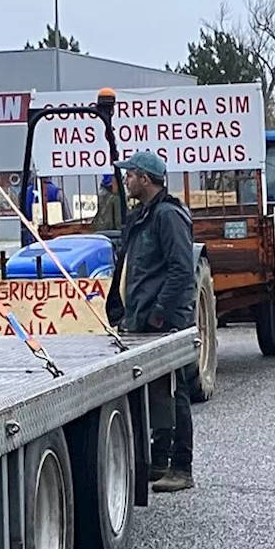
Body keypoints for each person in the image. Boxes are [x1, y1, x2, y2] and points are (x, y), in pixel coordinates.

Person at [112, 150, 197, 492]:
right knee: (156, 393)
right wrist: (119, 310)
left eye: (130, 174)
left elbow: (180, 270)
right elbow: (131, 266)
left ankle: (182, 467)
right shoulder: (142, 216)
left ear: (145, 179)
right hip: (142, 319)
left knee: (175, 391)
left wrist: (159, 314)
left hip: (165, 321)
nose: (126, 180)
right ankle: (158, 461)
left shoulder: (167, 216)